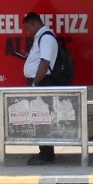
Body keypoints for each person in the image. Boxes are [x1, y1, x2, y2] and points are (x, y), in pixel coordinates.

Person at [22, 12, 60, 165]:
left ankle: (47, 155)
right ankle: (43, 151)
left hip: (43, 82)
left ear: (33, 24)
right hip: (40, 81)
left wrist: (34, 84)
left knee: (43, 119)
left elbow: (44, 64)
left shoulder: (46, 38)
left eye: (27, 28)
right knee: (39, 119)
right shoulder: (41, 38)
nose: (27, 31)